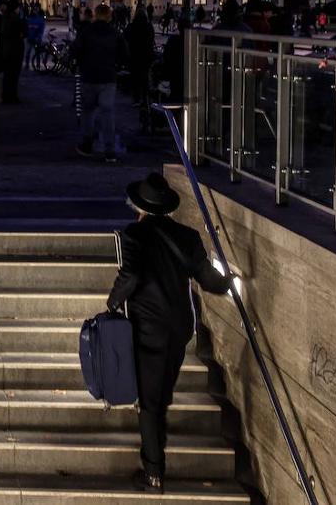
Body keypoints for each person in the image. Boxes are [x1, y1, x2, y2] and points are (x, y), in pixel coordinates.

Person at [106, 173, 232, 493]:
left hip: (149, 328)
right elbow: (207, 278)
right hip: (180, 328)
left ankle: (153, 472)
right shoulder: (188, 237)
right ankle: (156, 449)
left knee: (149, 401)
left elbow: (130, 274)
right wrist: (230, 282)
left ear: (140, 207)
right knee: (160, 394)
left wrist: (112, 302)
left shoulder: (135, 235)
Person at [71, 3, 127, 162]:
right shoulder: (115, 33)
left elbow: (75, 50)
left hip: (88, 76)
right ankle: (109, 150)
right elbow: (124, 53)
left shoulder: (86, 31)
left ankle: (87, 144)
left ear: (95, 15)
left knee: (88, 112)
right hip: (108, 78)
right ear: (109, 16)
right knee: (107, 113)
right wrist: (116, 65)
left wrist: (80, 62)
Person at [0, 2, 27, 103]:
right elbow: (24, 32)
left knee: (7, 75)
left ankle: (5, 95)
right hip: (16, 50)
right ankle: (12, 96)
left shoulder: (4, 18)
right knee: (14, 75)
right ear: (16, 9)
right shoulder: (17, 19)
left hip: (7, 50)